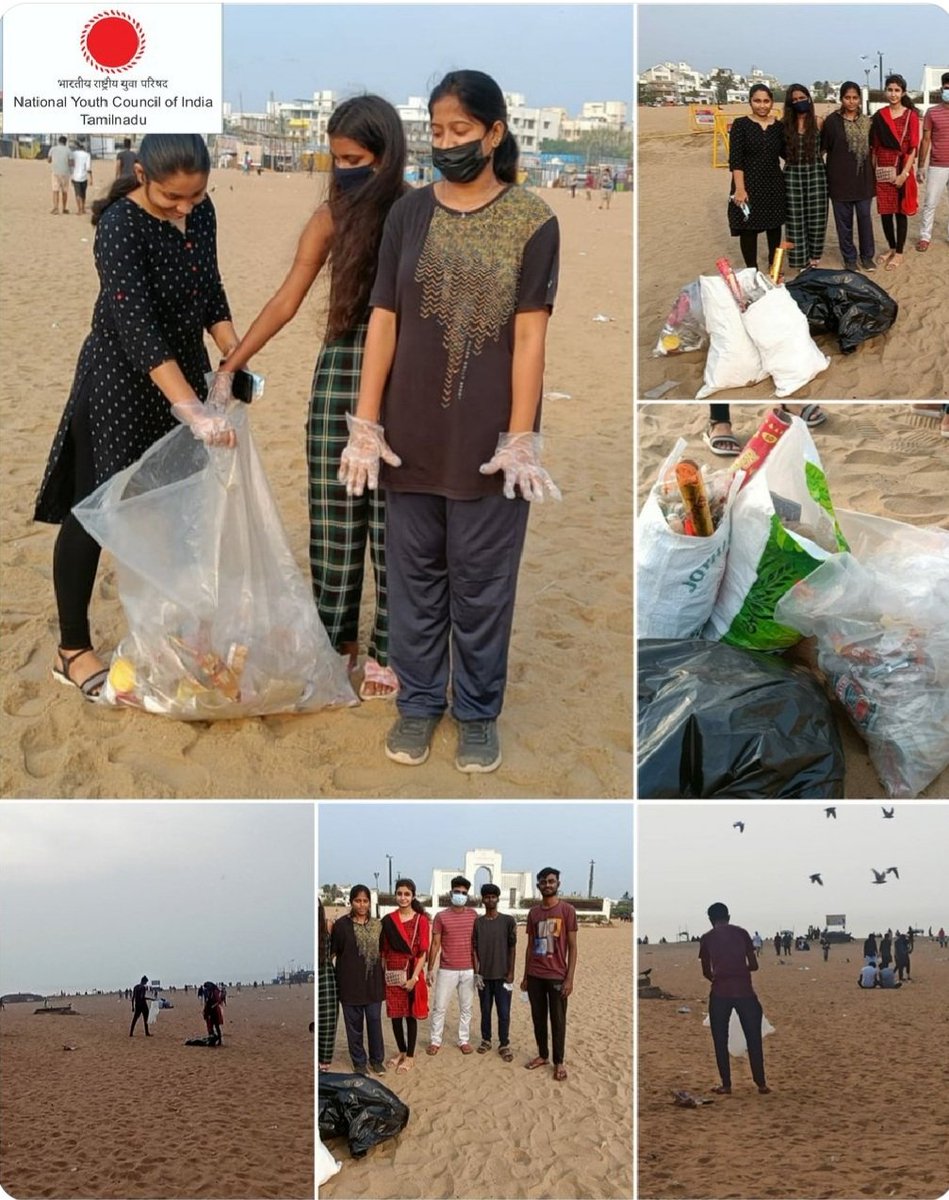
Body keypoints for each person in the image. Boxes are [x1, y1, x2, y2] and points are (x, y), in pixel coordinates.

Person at [338, 69, 561, 773]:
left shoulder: (533, 221)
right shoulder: (408, 214)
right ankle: (417, 704)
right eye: (436, 131)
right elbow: (384, 319)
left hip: (489, 443)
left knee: (483, 586)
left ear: (494, 134)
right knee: (412, 584)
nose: (446, 143)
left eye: (459, 130)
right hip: (408, 437)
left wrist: (519, 438)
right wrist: (366, 423)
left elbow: (530, 336)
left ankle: (477, 713)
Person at [33, 135, 239, 700]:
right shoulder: (120, 226)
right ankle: (71, 650)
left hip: (184, 373)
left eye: (196, 196)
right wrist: (192, 410)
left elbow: (210, 289)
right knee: (96, 507)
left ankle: (175, 632)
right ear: (142, 176)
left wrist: (232, 357)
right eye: (173, 197)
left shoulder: (200, 213)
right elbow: (137, 328)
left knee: (177, 508)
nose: (185, 208)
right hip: (120, 381)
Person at [215, 97, 407, 699]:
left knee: (396, 521)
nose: (344, 169)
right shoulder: (330, 218)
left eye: (355, 159)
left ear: (386, 155)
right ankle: (336, 641)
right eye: (337, 159)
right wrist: (233, 362)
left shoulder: (417, 213)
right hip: (339, 376)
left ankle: (390, 648)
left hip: (405, 379)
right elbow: (287, 298)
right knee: (334, 515)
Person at [699, 902, 770, 1094]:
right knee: (753, 1038)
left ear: (710, 920)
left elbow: (706, 971)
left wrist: (720, 976)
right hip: (745, 992)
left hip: (720, 993)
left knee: (720, 1039)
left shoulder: (707, 938)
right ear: (728, 917)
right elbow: (754, 965)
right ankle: (761, 1083)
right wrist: (739, 970)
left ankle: (726, 1084)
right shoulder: (742, 933)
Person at [522, 867, 577, 1082]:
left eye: (551, 881)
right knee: (538, 1018)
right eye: (543, 882)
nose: (547, 885)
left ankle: (559, 1061)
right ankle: (543, 1055)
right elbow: (529, 946)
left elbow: (573, 947)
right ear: (538, 885)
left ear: (558, 884)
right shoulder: (534, 913)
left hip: (557, 974)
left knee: (558, 1020)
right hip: (535, 974)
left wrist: (569, 978)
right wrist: (525, 976)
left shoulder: (567, 911)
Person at [727, 84, 786, 270]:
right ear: (750, 102)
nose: (762, 105)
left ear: (772, 102)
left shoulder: (779, 127)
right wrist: (740, 189)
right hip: (747, 185)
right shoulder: (740, 125)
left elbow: (787, 153)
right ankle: (751, 270)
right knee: (748, 229)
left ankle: (774, 268)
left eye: (766, 101)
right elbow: (735, 160)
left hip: (774, 184)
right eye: (757, 101)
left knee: (774, 228)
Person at [330, 884, 386, 1074]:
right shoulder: (341, 926)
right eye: (357, 901)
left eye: (365, 901)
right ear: (351, 902)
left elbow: (384, 953)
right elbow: (333, 953)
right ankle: (359, 1063)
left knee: (374, 1023)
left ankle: (377, 1060)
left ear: (369, 903)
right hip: (349, 986)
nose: (361, 905)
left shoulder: (377, 926)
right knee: (354, 1027)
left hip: (373, 985)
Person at [820, 82, 876, 271]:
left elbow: (873, 149)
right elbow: (822, 149)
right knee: (844, 223)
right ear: (841, 99)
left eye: (855, 98)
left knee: (865, 219)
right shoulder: (831, 122)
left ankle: (867, 256)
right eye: (847, 97)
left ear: (859, 99)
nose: (851, 101)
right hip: (839, 181)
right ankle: (850, 258)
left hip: (863, 181)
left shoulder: (867, 122)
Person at [380, 878, 431, 1072]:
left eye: (407, 894)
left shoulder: (421, 920)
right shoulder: (388, 920)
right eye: (400, 894)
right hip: (392, 973)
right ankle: (401, 1051)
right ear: (395, 895)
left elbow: (423, 953)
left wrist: (414, 978)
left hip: (411, 972)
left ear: (413, 896)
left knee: (410, 1015)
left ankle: (409, 1056)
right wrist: (384, 973)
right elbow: (383, 951)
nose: (403, 898)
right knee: (395, 1014)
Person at [871, 74, 920, 271]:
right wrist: (873, 170)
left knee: (900, 212)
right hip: (883, 169)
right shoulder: (879, 116)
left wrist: (904, 174)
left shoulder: (911, 116)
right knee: (885, 211)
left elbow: (913, 148)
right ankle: (891, 247)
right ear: (885, 92)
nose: (893, 94)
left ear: (903, 93)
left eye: (897, 90)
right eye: (890, 90)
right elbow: (874, 147)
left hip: (901, 168)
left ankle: (899, 252)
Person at [426, 875, 478, 1054]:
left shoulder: (473, 915)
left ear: (467, 895)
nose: (460, 895)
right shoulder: (441, 917)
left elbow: (477, 943)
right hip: (447, 969)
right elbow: (435, 944)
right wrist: (430, 968)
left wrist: (479, 969)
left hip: (469, 969)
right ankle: (435, 1040)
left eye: (464, 893)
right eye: (457, 892)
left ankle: (463, 1040)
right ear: (451, 893)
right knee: (440, 1007)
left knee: (466, 1008)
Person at [781, 83, 828, 269]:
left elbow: (824, 146)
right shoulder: (784, 125)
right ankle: (800, 260)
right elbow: (782, 150)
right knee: (794, 218)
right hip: (792, 174)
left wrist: (812, 158)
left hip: (816, 173)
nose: (799, 102)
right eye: (795, 100)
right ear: (790, 103)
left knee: (817, 217)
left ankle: (814, 258)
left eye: (802, 98)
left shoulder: (818, 122)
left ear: (809, 98)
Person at [473, 883, 517, 1062]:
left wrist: (511, 971)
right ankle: (486, 1040)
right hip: (484, 976)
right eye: (487, 897)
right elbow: (474, 948)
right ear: (482, 899)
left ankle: (504, 1043)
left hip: (503, 975)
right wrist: (476, 972)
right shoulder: (478, 923)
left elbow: (512, 947)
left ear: (498, 899)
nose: (490, 900)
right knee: (485, 1010)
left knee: (504, 1012)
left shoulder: (508, 921)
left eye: (493, 897)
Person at [916, 71, 949, 251]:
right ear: (941, 89)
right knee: (930, 202)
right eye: (946, 88)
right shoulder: (932, 113)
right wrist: (921, 166)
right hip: (937, 165)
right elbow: (926, 140)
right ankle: (925, 236)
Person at [318, 901, 338, 1072]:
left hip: (326, 975)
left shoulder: (328, 926)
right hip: (321, 972)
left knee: (328, 1019)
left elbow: (335, 950)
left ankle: (324, 1061)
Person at [70, 139, 93, 218]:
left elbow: (71, 165)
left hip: (75, 176)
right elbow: (88, 168)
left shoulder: (73, 154)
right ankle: (83, 208)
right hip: (84, 176)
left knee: (77, 193)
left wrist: (71, 175)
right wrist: (91, 178)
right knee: (83, 193)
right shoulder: (87, 155)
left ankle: (79, 209)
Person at [49, 136, 72, 214]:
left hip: (55, 171)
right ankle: (64, 208)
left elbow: (49, 160)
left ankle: (56, 208)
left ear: (58, 141)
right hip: (65, 172)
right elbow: (71, 162)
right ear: (65, 142)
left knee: (55, 190)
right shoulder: (68, 150)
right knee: (64, 191)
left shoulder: (53, 149)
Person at [202, 979, 225, 1044]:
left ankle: (219, 1040)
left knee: (216, 1026)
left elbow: (218, 1001)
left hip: (215, 1011)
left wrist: (213, 1006)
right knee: (210, 1025)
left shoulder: (215, 991)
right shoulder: (209, 992)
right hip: (210, 1010)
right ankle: (212, 1039)